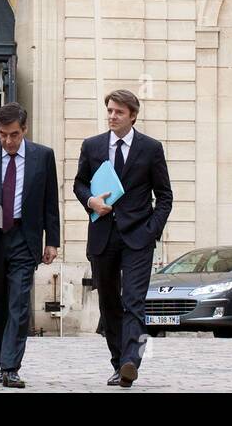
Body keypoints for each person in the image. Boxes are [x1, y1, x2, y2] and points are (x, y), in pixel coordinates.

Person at [73, 89, 172, 389]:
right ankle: (119, 363)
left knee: (134, 302)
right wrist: (91, 201)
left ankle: (132, 360)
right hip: (103, 235)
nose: (112, 116)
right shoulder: (92, 146)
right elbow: (79, 184)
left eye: (118, 112)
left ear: (132, 115)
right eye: (110, 111)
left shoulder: (151, 148)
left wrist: (151, 229)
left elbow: (165, 196)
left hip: (138, 238)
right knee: (109, 302)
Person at [0, 103, 61, 388]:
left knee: (19, 303)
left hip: (24, 238)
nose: (7, 141)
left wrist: (52, 240)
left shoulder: (43, 156)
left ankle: (10, 366)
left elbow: (50, 203)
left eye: (13, 135)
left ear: (24, 130)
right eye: (2, 135)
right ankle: (4, 363)